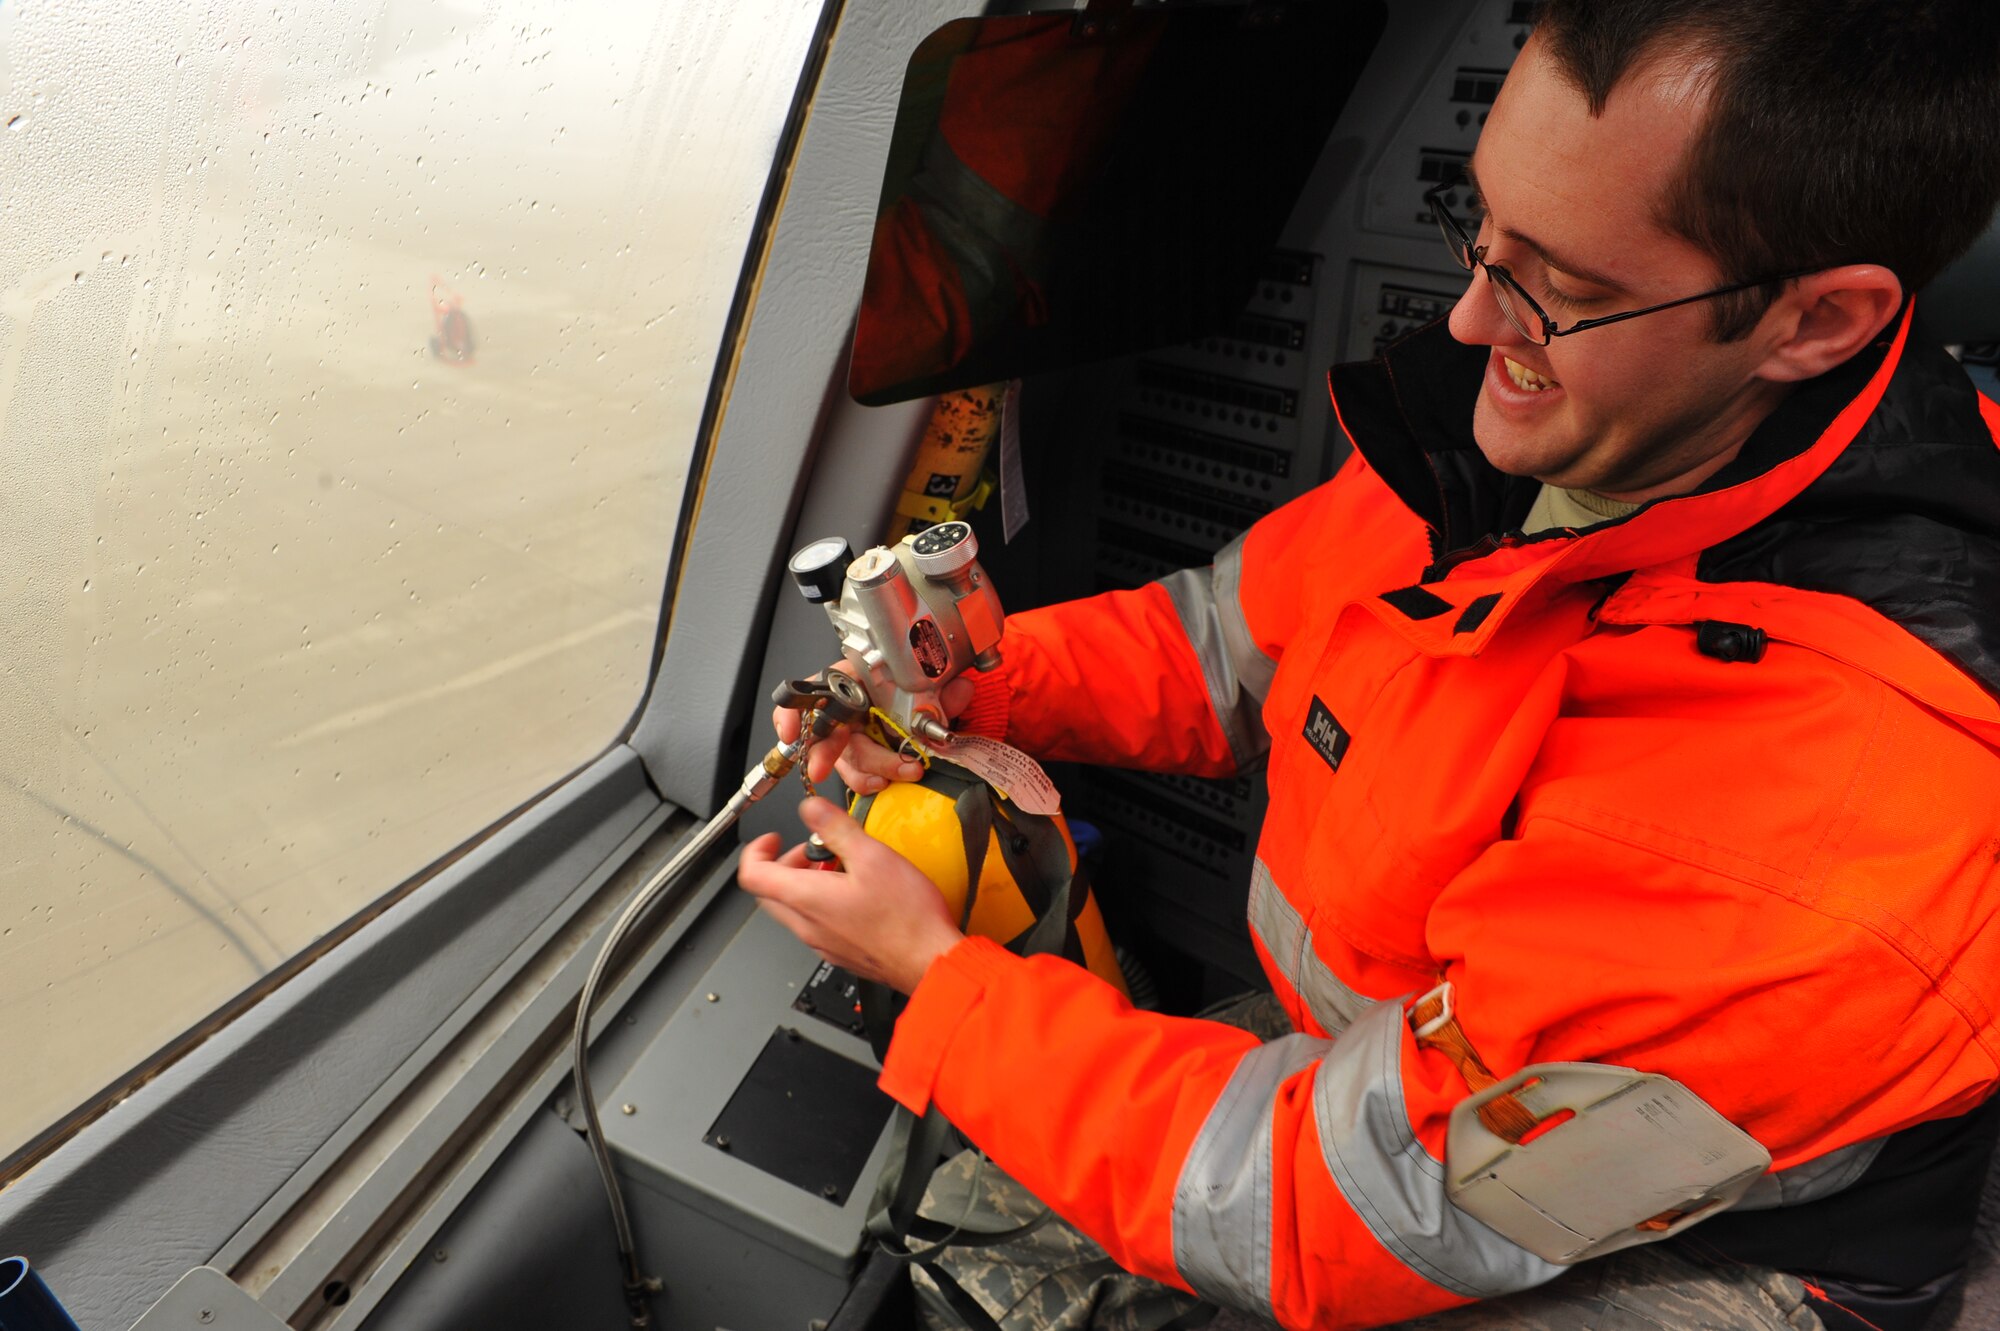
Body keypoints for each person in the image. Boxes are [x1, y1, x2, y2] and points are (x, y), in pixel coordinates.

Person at [737, 2, 2000, 1328]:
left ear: (1816, 323)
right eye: (1483, 229)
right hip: (1397, 1076)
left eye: (1554, 286)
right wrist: (970, 692)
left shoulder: (1824, 821)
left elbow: (1333, 1203)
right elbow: (1219, 639)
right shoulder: (1553, 438)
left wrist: (945, 989)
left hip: (1676, 1248)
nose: (1464, 322)